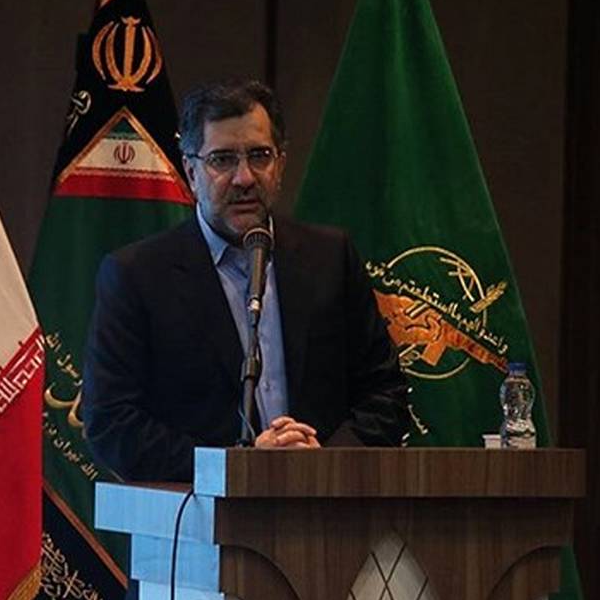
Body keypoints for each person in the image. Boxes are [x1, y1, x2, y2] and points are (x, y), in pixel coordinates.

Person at [83, 78, 407, 483]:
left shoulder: (331, 258)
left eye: (259, 156)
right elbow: (112, 425)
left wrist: (325, 462)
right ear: (191, 172)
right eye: (222, 160)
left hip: (327, 505)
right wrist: (237, 467)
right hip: (203, 513)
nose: (244, 178)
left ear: (280, 164)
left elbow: (386, 394)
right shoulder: (137, 275)